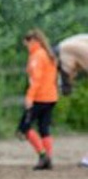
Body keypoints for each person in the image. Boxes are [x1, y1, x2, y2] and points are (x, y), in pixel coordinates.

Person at [20, 29, 58, 170]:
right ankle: (48, 158)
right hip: (51, 97)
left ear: (33, 41)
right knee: (44, 129)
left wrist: (29, 97)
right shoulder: (49, 54)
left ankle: (43, 156)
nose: (27, 47)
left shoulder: (37, 56)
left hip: (39, 98)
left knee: (25, 127)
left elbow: (36, 80)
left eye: (27, 44)